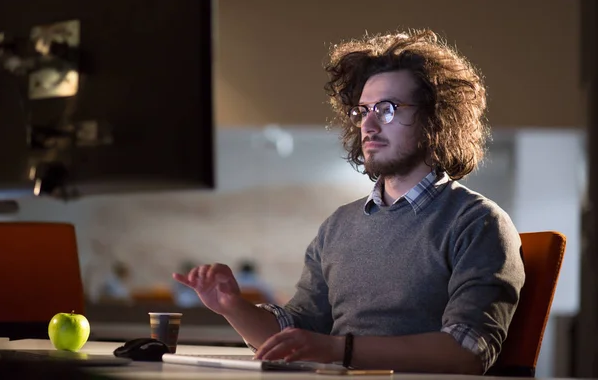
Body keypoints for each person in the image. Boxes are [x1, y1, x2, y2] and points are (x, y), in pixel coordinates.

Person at [173, 29, 525, 375]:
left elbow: (466, 352)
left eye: (387, 108)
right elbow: (297, 331)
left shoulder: (478, 222)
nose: (368, 124)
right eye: (362, 111)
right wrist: (233, 308)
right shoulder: (338, 226)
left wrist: (338, 350)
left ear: (437, 118)